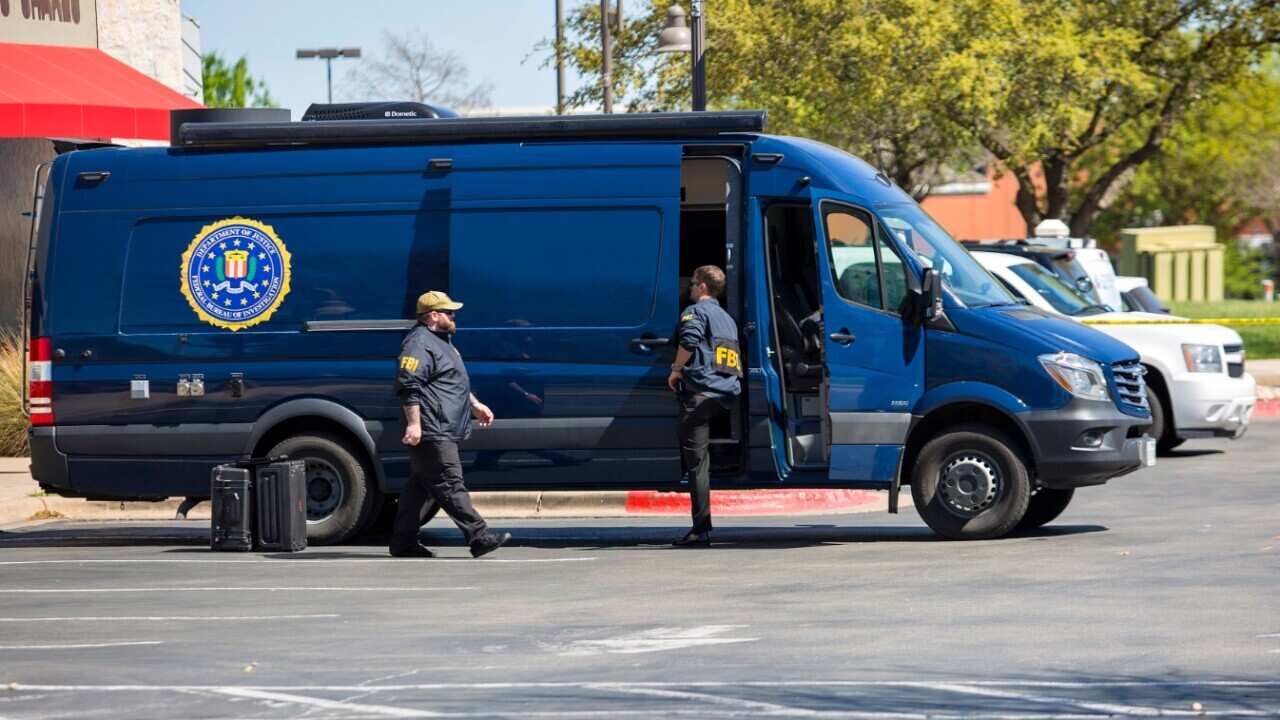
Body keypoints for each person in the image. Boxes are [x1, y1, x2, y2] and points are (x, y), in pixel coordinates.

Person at [389, 290, 511, 559]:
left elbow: (451, 381)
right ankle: (479, 536)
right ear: (433, 315)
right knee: (449, 481)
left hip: (442, 425)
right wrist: (414, 424)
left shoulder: (442, 342)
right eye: (449, 312)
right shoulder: (419, 343)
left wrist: (474, 405)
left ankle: (403, 542)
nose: (454, 316)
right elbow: (409, 385)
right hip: (432, 427)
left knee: (420, 486)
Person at [667, 266, 742, 546]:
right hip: (725, 395)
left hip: (699, 395)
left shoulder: (695, 312)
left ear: (703, 287)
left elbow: (689, 341)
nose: (690, 288)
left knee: (697, 465)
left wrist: (676, 370)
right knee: (702, 460)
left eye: (693, 283)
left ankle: (700, 529)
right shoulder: (727, 318)